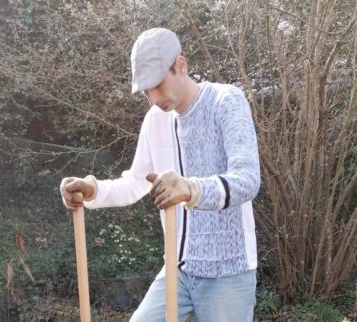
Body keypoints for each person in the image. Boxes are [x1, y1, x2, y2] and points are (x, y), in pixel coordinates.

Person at [60, 27, 260, 322]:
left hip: (227, 272)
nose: (153, 98)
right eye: (146, 91)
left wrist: (191, 189)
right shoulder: (155, 120)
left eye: (158, 84)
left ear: (181, 65)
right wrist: (93, 190)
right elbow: (134, 183)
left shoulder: (225, 102)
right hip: (176, 270)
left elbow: (247, 180)